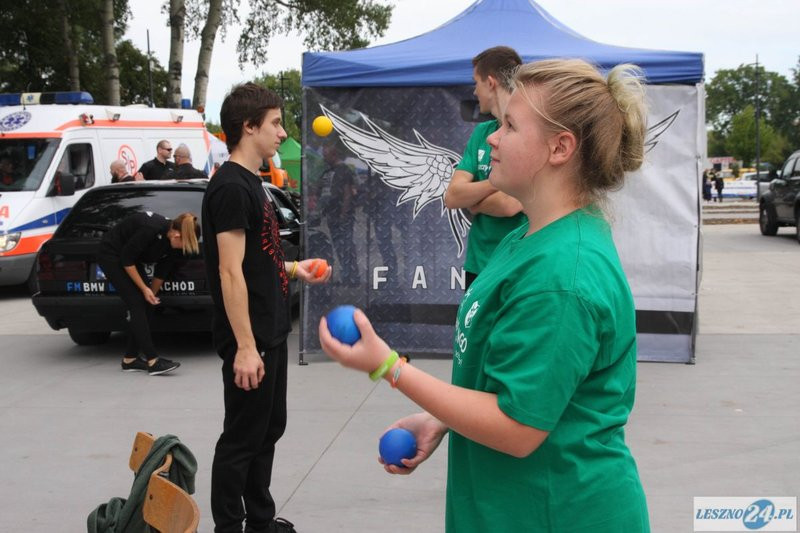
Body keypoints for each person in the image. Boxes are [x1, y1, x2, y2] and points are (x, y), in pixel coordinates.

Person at [319, 59, 651, 532]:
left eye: (511, 125)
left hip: (558, 514)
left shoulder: (561, 276)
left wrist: (388, 366)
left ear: (560, 147)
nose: (492, 137)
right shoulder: (527, 238)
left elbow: (517, 428)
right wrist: (445, 420)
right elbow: (517, 387)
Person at [202, 82, 331, 533]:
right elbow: (230, 272)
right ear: (248, 126)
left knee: (268, 429)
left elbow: (258, 259)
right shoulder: (231, 188)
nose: (282, 132)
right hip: (251, 339)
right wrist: (244, 347)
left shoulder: (253, 184)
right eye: (275, 123)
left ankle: (259, 520)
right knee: (241, 438)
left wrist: (296, 269)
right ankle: (229, 527)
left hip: (270, 331)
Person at [444, 46, 525, 289]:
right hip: (478, 266)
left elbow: (509, 204)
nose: (474, 91)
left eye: (476, 82)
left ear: (490, 82)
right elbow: (452, 196)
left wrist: (474, 200)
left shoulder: (527, 132)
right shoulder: (482, 133)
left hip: (516, 265)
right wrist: (494, 185)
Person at [97, 211, 200, 375]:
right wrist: (144, 289)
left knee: (147, 304)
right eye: (184, 243)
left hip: (130, 258)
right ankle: (153, 361)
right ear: (175, 235)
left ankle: (130, 359)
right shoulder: (150, 228)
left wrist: (151, 294)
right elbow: (126, 259)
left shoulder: (173, 243)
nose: (184, 248)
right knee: (136, 302)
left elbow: (162, 270)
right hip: (112, 254)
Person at [319, 139, 359, 284]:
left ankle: (352, 277)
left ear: (334, 154)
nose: (324, 157)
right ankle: (347, 276)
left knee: (347, 246)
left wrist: (344, 213)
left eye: (326, 154)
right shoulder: (329, 171)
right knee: (339, 246)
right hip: (332, 215)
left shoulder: (343, 170)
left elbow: (348, 193)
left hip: (342, 215)